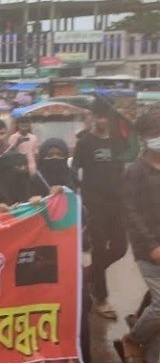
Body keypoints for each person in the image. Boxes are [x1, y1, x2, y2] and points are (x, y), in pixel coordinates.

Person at [73, 101, 127, 320]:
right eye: (98, 116)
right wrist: (80, 197)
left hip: (117, 204)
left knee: (121, 248)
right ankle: (101, 298)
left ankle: (90, 273)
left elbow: (123, 171)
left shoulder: (118, 141)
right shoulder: (84, 142)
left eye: (105, 116)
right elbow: (74, 170)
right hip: (95, 206)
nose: (102, 120)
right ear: (92, 117)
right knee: (99, 250)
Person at [121, 104, 160, 362]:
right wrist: (152, 246)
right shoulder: (133, 172)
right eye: (155, 133)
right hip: (150, 249)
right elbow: (132, 214)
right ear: (144, 137)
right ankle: (134, 338)